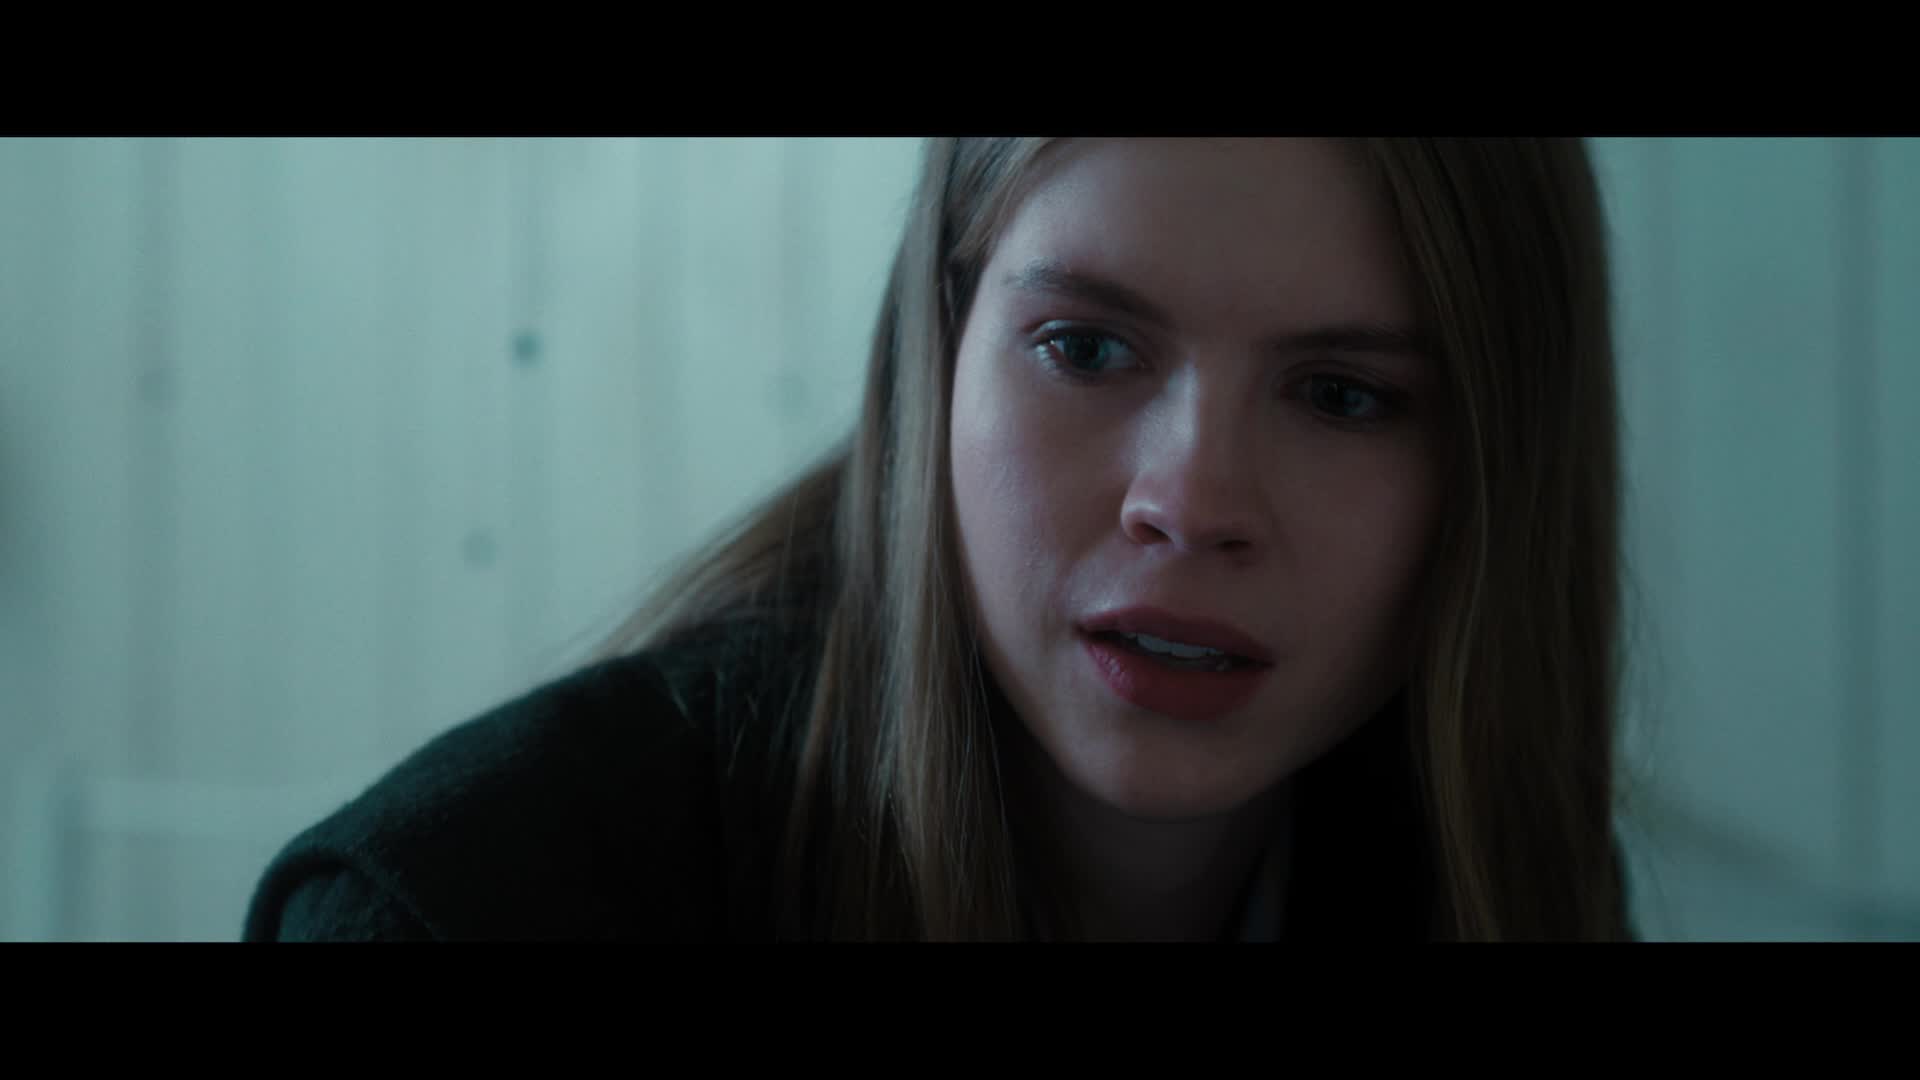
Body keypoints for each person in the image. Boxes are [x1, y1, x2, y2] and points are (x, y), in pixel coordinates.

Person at [243, 137, 1632, 941]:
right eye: (1085, 347)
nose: (1192, 500)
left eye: (1343, 397)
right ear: (937, 352)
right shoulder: (460, 908)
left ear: (1497, 470)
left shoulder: (1491, 878)